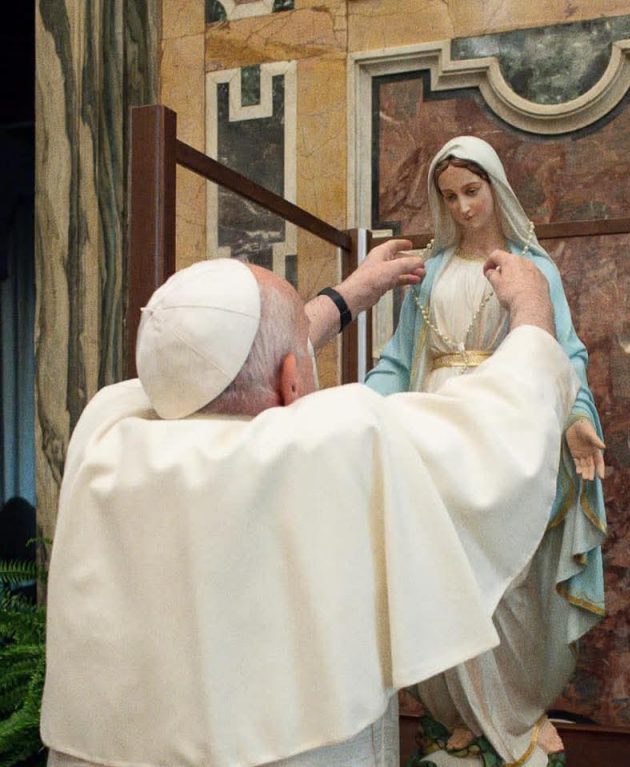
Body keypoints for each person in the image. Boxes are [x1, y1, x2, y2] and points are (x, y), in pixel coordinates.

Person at [41, 241, 579, 767]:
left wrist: (348, 296)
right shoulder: (328, 444)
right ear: (292, 380)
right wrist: (532, 310)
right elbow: (502, 426)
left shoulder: (106, 432)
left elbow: (207, 362)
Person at [365, 136, 607, 767]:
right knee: (443, 575)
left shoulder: (532, 269)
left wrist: (577, 417)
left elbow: (564, 352)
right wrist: (361, 414)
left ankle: (515, 708)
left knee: (510, 578)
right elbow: (397, 361)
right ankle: (458, 716)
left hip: (504, 431)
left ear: (495, 188)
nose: (463, 207)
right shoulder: (433, 271)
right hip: (435, 440)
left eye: (472, 191)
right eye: (450, 196)